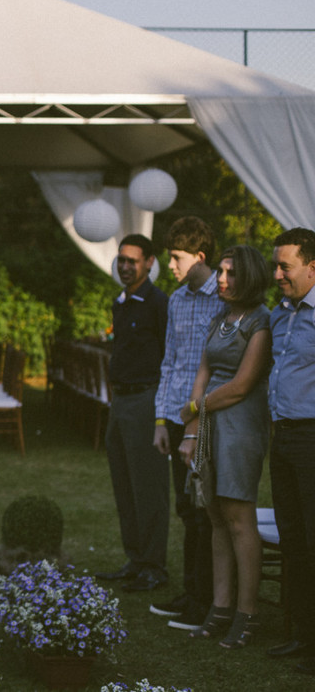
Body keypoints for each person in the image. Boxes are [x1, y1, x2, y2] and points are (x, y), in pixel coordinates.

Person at [177, 245, 272, 648]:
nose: (221, 279)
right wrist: (192, 428)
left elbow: (241, 385)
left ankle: (247, 616)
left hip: (240, 425)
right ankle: (219, 609)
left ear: (248, 277)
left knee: (238, 518)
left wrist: (194, 408)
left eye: (230, 273)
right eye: (220, 272)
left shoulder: (262, 321)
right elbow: (204, 371)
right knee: (215, 516)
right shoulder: (221, 317)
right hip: (210, 422)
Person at [149, 217, 222, 630]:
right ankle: (191, 591)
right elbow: (170, 363)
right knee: (185, 507)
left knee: (203, 510)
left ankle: (206, 599)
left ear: (200, 255)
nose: (171, 265)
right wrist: (161, 420)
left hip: (208, 417)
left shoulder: (224, 298)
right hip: (177, 417)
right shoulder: (176, 300)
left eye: (177, 257)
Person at [97, 234, 171, 592]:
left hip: (146, 399)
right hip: (121, 400)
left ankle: (154, 566)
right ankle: (135, 559)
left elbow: (169, 356)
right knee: (123, 482)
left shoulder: (159, 303)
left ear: (149, 263)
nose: (125, 267)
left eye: (133, 261)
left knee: (148, 486)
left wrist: (162, 410)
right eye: (121, 260)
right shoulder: (121, 301)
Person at [265, 227, 315, 674]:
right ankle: (302, 635)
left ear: (312, 267)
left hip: (312, 439)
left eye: (286, 267)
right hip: (282, 438)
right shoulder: (278, 314)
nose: (278, 274)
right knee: (294, 540)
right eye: (276, 266)